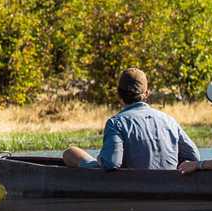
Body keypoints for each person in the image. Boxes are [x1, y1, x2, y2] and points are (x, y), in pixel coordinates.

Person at [62, 68, 201, 170]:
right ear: (146, 94)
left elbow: (111, 164)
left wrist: (96, 160)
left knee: (70, 153)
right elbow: (194, 157)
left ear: (119, 95)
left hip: (133, 186)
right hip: (170, 185)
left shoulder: (116, 123)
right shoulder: (169, 120)